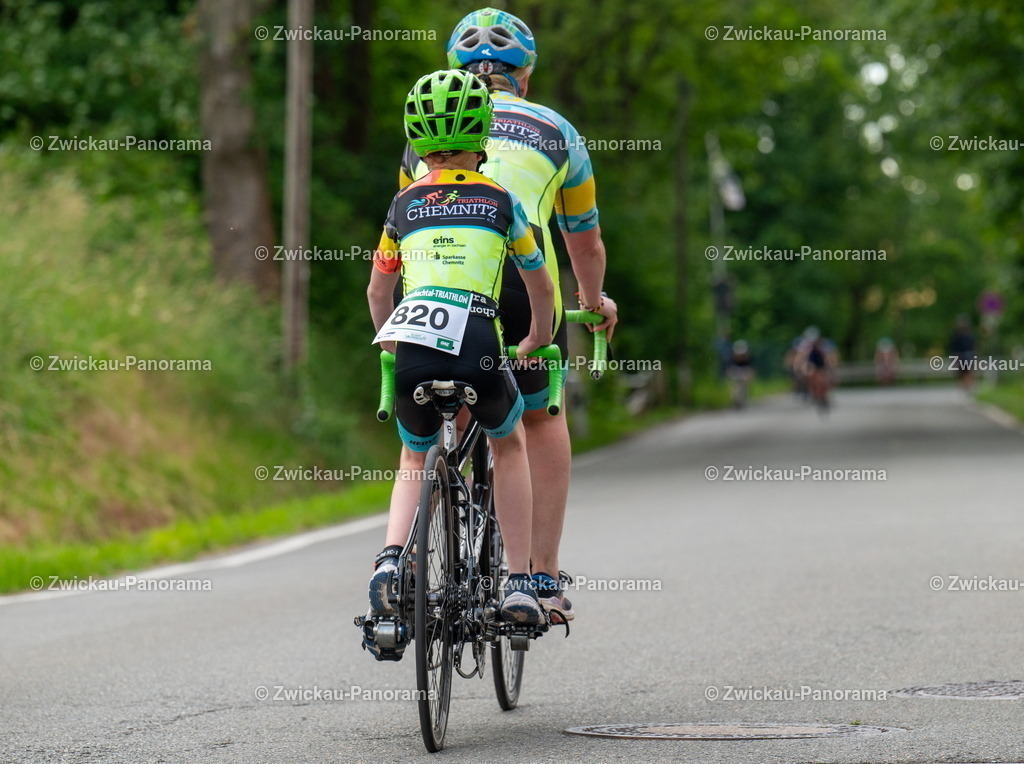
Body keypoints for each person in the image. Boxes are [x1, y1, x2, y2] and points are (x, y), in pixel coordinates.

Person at [397, 8, 619, 621]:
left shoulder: (422, 128)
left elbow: (407, 217)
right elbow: (585, 243)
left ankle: (414, 550)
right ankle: (539, 579)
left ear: (454, 71)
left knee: (447, 407)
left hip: (429, 292)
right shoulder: (557, 131)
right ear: (525, 74)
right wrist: (591, 303)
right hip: (523, 288)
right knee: (540, 419)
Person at [364, 69, 555, 658]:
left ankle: (391, 563)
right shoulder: (502, 201)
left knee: (413, 452)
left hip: (414, 340)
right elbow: (541, 287)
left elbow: (377, 293)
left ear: (416, 143)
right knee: (511, 442)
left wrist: (392, 346)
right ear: (484, 140)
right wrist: (536, 341)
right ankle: (521, 584)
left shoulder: (402, 205)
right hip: (478, 339)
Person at [948, 314, 976, 391]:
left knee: (969, 371)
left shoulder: (970, 336)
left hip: (969, 355)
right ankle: (962, 386)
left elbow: (973, 347)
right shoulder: (956, 336)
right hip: (960, 356)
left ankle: (968, 386)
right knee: (961, 372)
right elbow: (953, 348)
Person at [727, 340, 754, 408]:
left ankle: (744, 397)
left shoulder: (747, 358)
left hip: (744, 370)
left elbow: (750, 369)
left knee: (745, 382)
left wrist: (749, 376)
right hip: (736, 370)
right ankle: (735, 399)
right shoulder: (732, 358)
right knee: (734, 385)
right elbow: (730, 369)